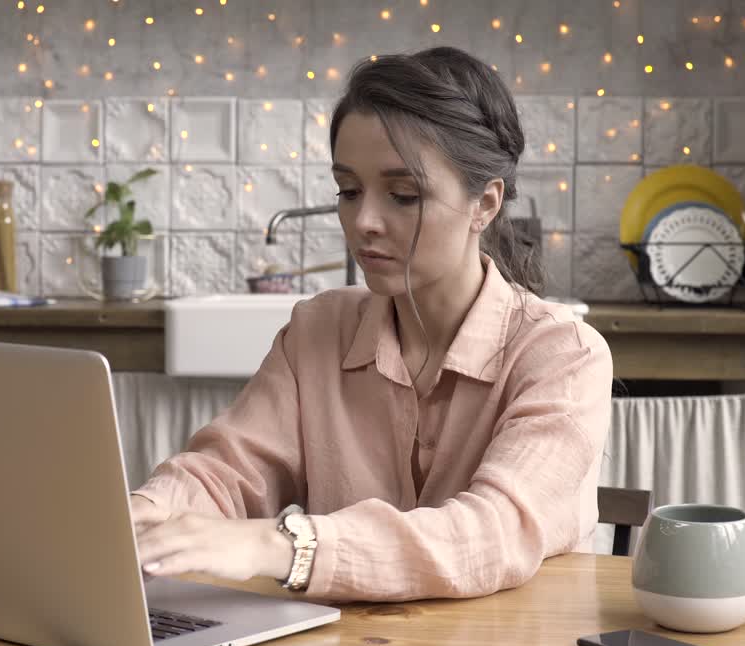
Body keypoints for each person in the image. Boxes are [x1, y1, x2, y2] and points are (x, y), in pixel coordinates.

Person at [129, 46, 613, 602]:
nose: (364, 222)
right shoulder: (316, 331)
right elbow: (224, 473)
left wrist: (280, 546)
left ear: (485, 204)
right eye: (348, 191)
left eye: (403, 195)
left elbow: (495, 531)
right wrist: (142, 514)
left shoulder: (564, 356)